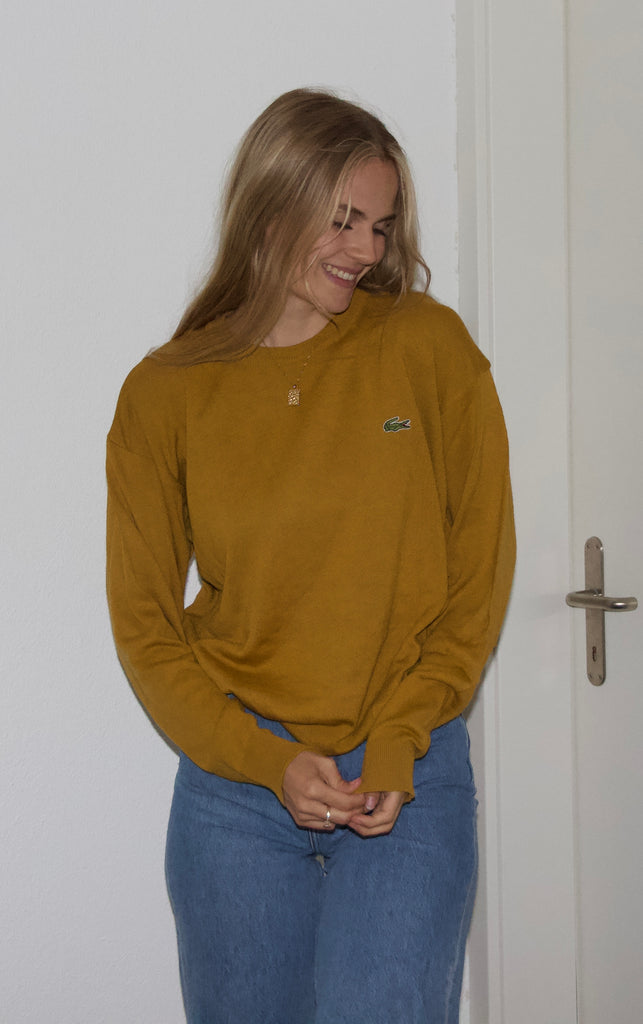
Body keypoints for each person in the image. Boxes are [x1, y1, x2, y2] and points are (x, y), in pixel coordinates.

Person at [106, 87, 515, 1024]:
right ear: (269, 207)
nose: (365, 249)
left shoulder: (426, 347)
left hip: (407, 771)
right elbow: (147, 631)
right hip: (234, 792)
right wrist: (264, 761)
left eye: (380, 224)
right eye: (341, 220)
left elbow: (477, 572)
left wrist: (403, 734)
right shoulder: (164, 395)